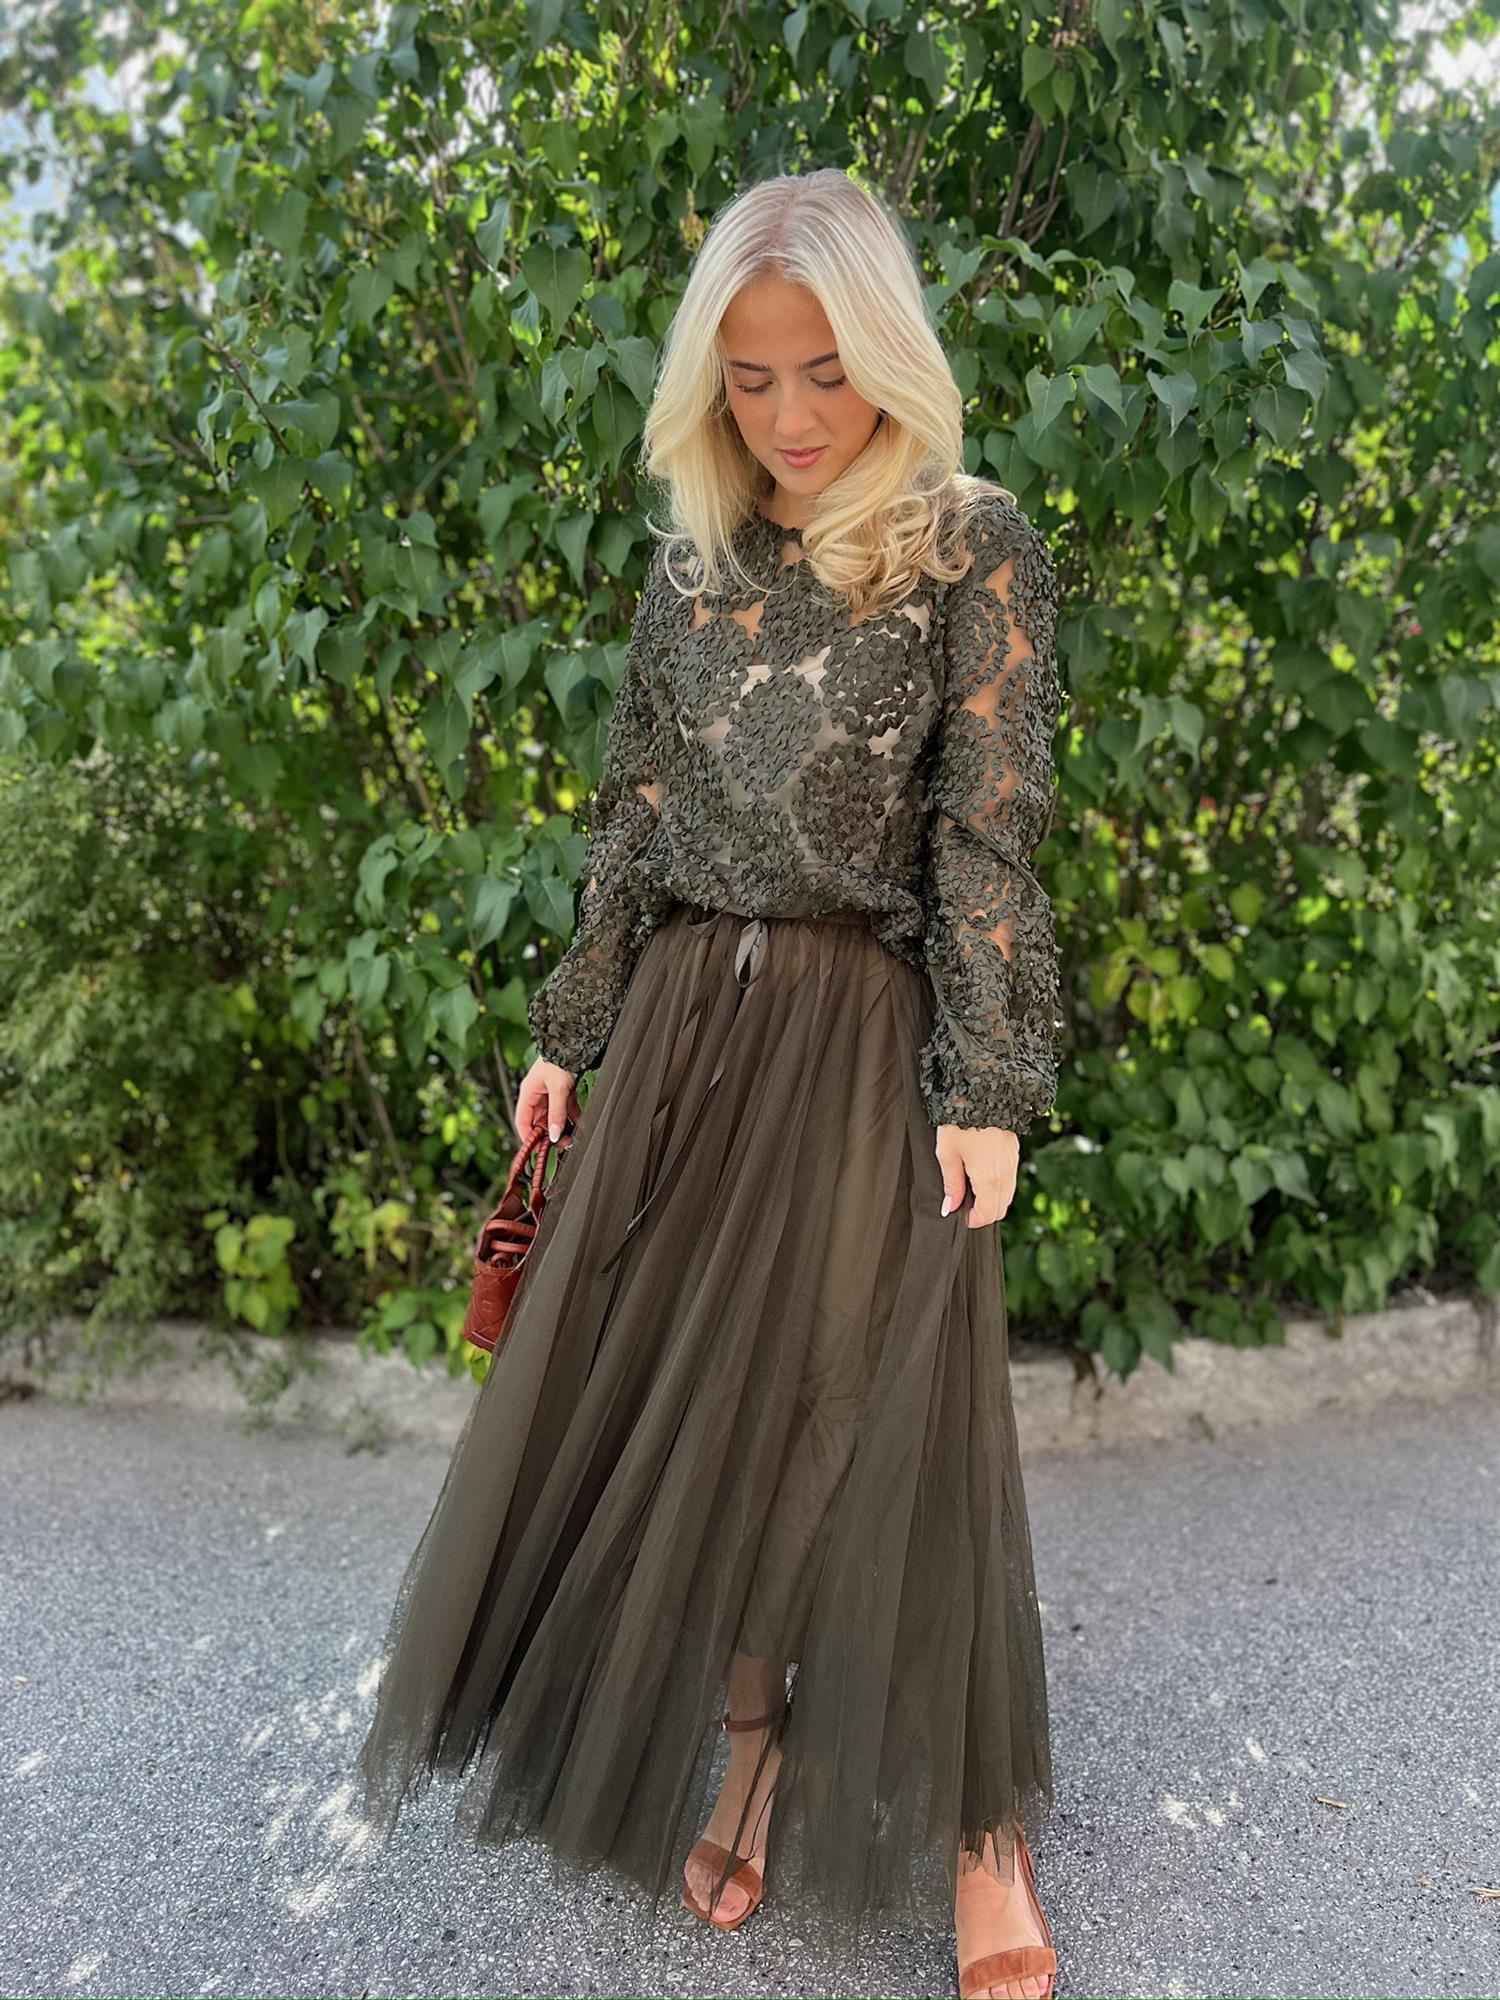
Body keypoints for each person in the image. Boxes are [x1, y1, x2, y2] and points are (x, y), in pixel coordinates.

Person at [356, 166, 1063, 2000]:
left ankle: (979, 1826)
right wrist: (569, 1029)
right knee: (718, 1412)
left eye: (824, 368)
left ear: (888, 353)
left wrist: (987, 1075)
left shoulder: (970, 545)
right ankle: (753, 1745)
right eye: (750, 379)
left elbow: (988, 839)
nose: (791, 416)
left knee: (875, 1404)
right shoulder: (692, 566)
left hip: (863, 1037)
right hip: (685, 1025)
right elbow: (634, 823)